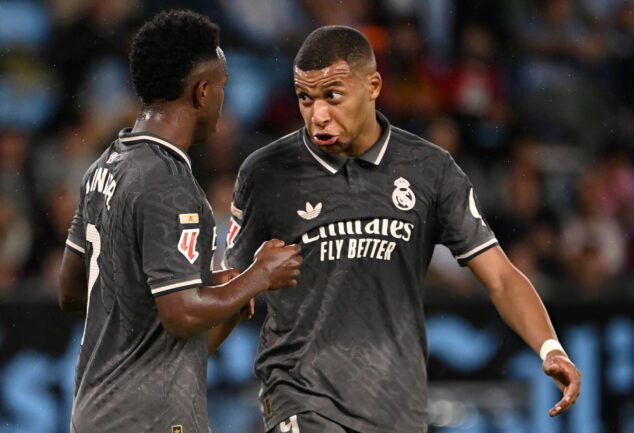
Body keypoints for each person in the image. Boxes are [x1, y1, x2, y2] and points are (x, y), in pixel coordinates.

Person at [223, 25, 581, 433]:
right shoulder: (267, 172)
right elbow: (230, 290)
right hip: (300, 398)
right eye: (305, 98)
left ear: (372, 86)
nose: (317, 114)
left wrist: (550, 348)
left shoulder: (429, 170)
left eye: (332, 96)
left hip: (396, 407)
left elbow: (500, 277)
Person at [57, 10, 302, 433]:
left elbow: (72, 290)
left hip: (96, 411)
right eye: (223, 87)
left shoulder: (107, 164)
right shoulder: (169, 184)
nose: (225, 100)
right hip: (149, 419)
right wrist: (258, 276)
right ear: (202, 92)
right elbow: (182, 315)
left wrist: (217, 290)